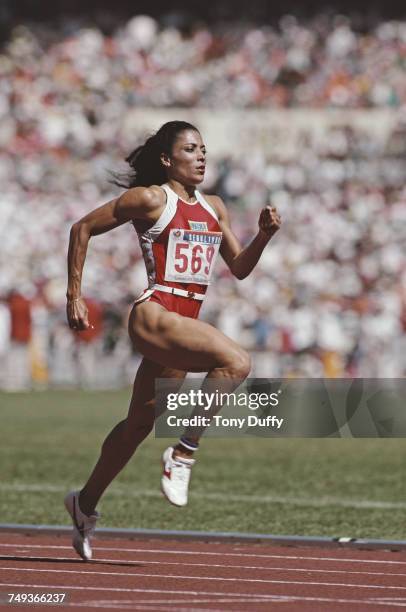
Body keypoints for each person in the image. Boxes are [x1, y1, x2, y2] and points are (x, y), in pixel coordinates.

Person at [64, 120, 281, 560]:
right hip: (155, 313)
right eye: (190, 149)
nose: (201, 156)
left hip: (182, 327)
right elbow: (81, 228)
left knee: (136, 428)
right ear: (167, 159)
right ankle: (183, 453)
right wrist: (74, 295)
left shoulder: (214, 207)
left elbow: (238, 268)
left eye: (203, 149)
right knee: (237, 363)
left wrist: (264, 235)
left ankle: (84, 504)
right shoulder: (150, 199)